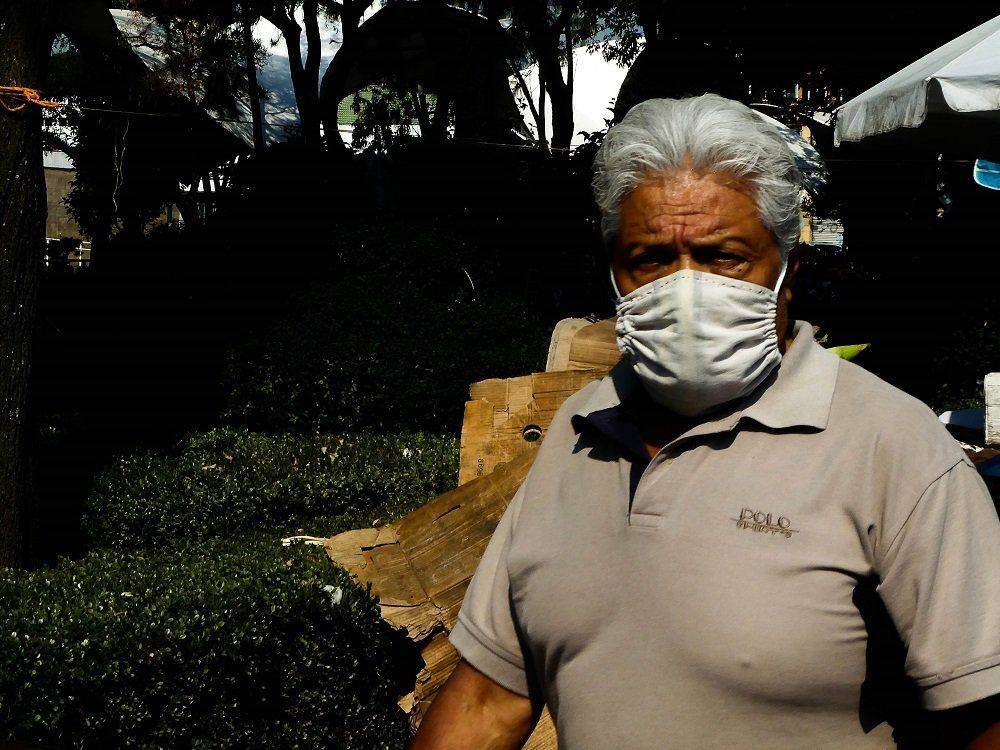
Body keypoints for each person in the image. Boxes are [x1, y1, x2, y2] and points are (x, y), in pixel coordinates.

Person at [410, 94, 1000, 749]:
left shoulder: (894, 448)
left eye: (724, 256)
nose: (685, 291)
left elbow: (982, 716)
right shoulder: (579, 432)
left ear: (789, 273)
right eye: (650, 258)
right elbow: (488, 700)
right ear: (613, 274)